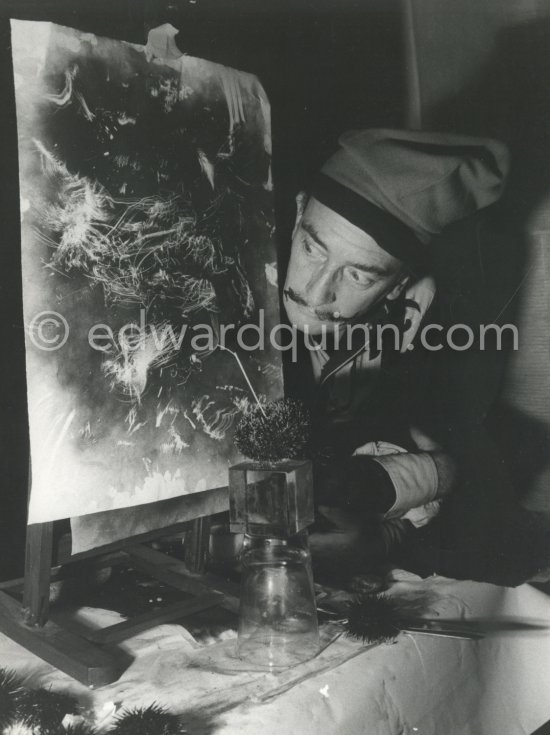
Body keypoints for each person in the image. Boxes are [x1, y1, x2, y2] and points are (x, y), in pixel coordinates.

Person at [282, 129, 548, 587]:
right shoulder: (222, 303)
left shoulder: (420, 329)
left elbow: (476, 471)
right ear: (298, 212)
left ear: (404, 288)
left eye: (358, 276)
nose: (315, 291)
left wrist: (387, 524)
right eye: (311, 248)